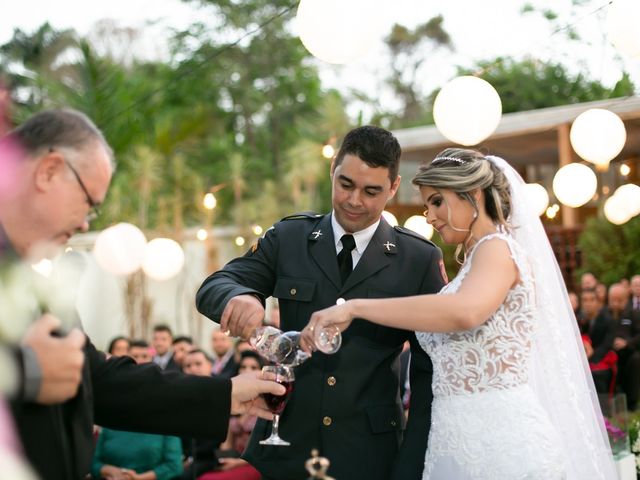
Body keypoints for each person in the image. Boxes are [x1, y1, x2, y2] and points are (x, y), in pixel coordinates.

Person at [0, 108, 285, 480]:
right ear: (50, 170)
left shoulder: (38, 272)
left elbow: (98, 382)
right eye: (89, 201)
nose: (87, 222)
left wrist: (224, 393)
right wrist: (29, 374)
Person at [304, 148, 616, 480]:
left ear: (474, 195)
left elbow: (466, 311)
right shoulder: (474, 261)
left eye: (437, 201)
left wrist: (356, 308)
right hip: (455, 441)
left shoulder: (498, 247)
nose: (430, 215)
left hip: (500, 445)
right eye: (427, 205)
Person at [196, 125, 446, 480]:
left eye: (371, 191)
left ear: (393, 188)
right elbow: (214, 285)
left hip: (370, 453)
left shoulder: (418, 258)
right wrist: (241, 296)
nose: (354, 200)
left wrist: (412, 462)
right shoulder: (289, 237)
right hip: (286, 446)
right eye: (345, 184)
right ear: (332, 172)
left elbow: (430, 371)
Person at [91, 341, 183, 480]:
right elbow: (93, 462)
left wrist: (139, 478)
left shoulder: (165, 411)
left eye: (144, 356)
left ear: (153, 361)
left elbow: (174, 465)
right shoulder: (111, 409)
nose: (139, 361)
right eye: (135, 356)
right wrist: (108, 470)